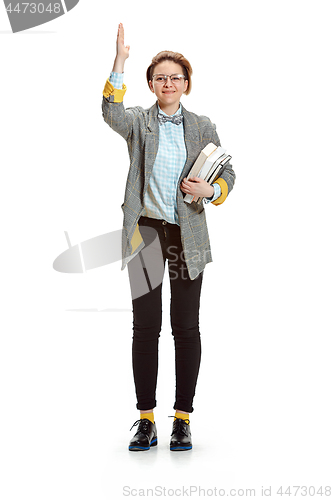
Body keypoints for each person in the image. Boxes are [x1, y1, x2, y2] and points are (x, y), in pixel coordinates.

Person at [102, 23, 236, 451]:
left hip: (187, 236)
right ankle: (146, 419)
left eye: (175, 77)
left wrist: (210, 191)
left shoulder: (202, 125)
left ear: (186, 84)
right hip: (146, 232)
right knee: (146, 326)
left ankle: (181, 419)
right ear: (151, 83)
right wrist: (120, 62)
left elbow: (228, 172)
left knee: (186, 326)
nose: (168, 83)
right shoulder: (139, 122)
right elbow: (109, 112)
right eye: (160, 77)